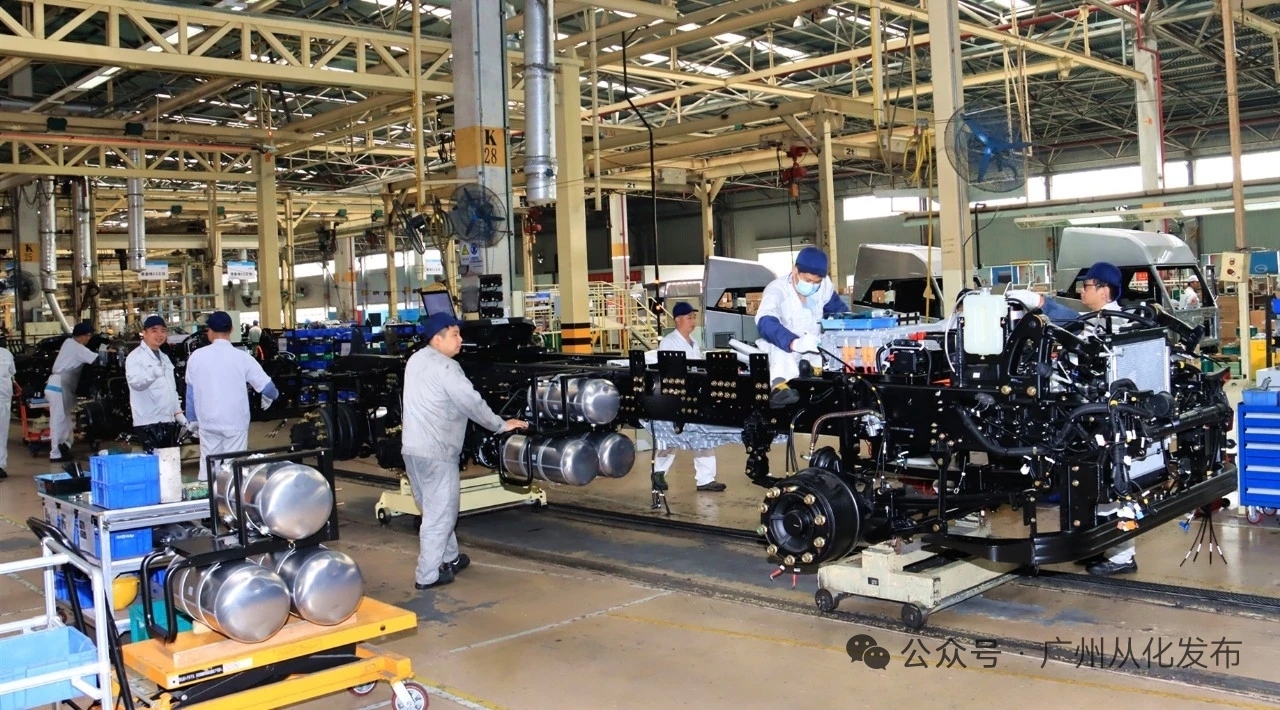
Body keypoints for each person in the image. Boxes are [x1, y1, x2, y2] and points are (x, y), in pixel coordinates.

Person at [1008, 262, 1137, 577]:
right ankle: (1099, 544)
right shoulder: (1099, 320)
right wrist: (1041, 303)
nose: (1082, 292)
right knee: (1093, 485)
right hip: (1094, 414)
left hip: (1110, 418)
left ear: (1104, 290)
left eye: (1087, 286)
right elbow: (1073, 323)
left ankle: (1123, 555)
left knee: (1113, 484)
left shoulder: (1117, 324)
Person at [401, 312, 526, 590]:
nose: (461, 340)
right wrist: (501, 425)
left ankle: (450, 557)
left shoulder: (416, 360)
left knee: (434, 508)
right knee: (440, 514)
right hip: (437, 451)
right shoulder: (447, 367)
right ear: (437, 339)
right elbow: (471, 403)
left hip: (412, 448)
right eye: (455, 335)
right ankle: (427, 575)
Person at [184, 311, 280, 481]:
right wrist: (272, 397)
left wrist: (192, 421)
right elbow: (268, 388)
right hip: (234, 422)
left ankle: (207, 493)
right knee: (233, 468)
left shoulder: (196, 357)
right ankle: (230, 495)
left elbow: (190, 392)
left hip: (208, 422)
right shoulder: (242, 358)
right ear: (232, 330)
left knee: (209, 465)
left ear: (209, 331)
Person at [755, 246, 846, 408]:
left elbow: (839, 312)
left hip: (813, 350)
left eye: (817, 282)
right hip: (785, 350)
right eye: (808, 281)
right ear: (795, 270)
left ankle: (813, 370)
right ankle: (778, 387)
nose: (812, 286)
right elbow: (765, 321)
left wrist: (852, 325)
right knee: (779, 350)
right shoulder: (777, 290)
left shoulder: (824, 286)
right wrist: (794, 343)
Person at [649, 302, 725, 492]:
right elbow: (670, 371)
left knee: (703, 435)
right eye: (689, 317)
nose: (693, 321)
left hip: (695, 394)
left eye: (694, 317)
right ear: (678, 320)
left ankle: (705, 479)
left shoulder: (693, 342)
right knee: (672, 436)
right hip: (676, 396)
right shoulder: (669, 343)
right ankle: (658, 472)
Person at [126, 315, 184, 450]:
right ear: (144, 333)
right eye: (154, 330)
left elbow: (171, 389)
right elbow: (135, 383)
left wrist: (178, 413)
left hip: (168, 420)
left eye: (163, 330)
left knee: (169, 460)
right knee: (155, 460)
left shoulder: (164, 357)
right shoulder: (135, 357)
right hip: (148, 422)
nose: (159, 334)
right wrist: (152, 373)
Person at [46, 322, 99, 462]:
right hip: (58, 387)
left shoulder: (68, 343)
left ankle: (64, 447)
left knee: (66, 421)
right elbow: (95, 358)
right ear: (82, 336)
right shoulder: (76, 347)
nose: (89, 339)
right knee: (59, 420)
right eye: (88, 335)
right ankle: (55, 453)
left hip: (60, 386)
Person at [0, 340, 14, 479]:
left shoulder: (6, 354)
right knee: (2, 433)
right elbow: (12, 372)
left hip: (4, 399)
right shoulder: (6, 354)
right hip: (4, 399)